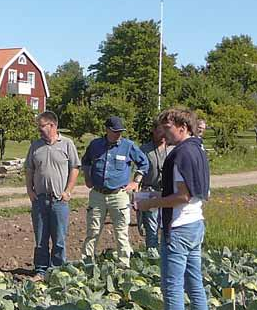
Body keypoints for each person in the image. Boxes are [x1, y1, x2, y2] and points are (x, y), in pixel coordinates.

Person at [136, 109, 210, 310]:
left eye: (167, 127)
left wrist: (151, 203)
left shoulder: (180, 154)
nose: (163, 133)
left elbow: (183, 196)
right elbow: (194, 192)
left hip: (178, 228)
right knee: (195, 285)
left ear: (182, 127)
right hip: (196, 223)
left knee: (173, 288)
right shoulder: (198, 149)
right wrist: (160, 194)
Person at [81, 116, 149, 267]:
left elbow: (144, 163)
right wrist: (87, 176)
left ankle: (124, 264)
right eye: (115, 131)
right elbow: (85, 161)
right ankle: (87, 263)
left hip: (119, 195)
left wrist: (135, 181)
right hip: (97, 195)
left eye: (120, 131)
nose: (118, 134)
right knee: (92, 231)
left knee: (121, 232)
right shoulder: (95, 145)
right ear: (107, 130)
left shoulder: (128, 146)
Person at [24, 112, 80, 279]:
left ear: (52, 126)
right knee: (41, 239)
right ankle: (41, 270)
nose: (39, 130)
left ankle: (57, 271)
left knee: (59, 239)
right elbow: (29, 169)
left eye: (42, 126)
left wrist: (68, 191)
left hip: (59, 200)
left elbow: (75, 168)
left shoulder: (67, 144)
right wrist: (30, 191)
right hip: (40, 199)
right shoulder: (35, 146)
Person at [137, 123, 172, 250]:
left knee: (168, 228)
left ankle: (165, 254)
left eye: (165, 132)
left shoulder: (172, 149)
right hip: (149, 191)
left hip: (169, 193)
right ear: (153, 130)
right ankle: (152, 258)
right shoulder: (144, 150)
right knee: (151, 229)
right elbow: (137, 172)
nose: (163, 135)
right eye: (160, 131)